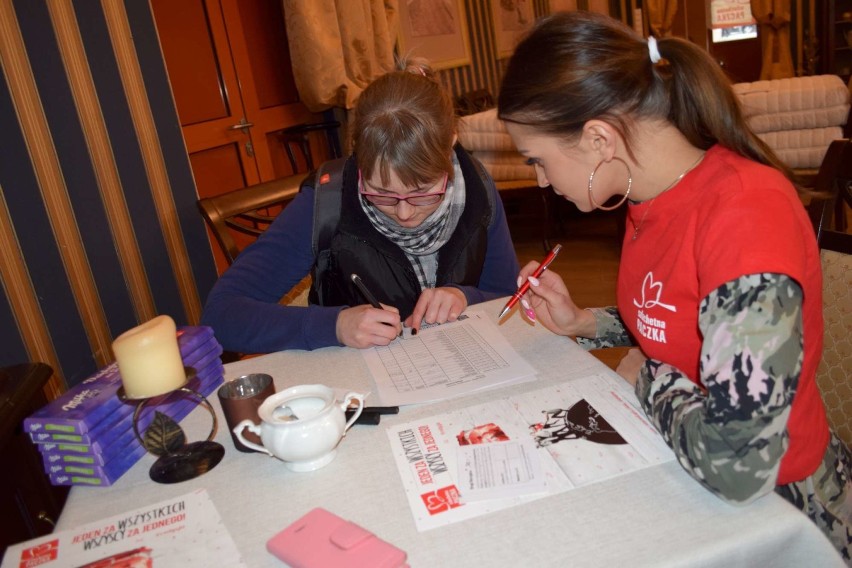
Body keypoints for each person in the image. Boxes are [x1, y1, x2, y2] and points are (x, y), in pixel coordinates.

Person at [497, 11, 851, 560]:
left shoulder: (745, 215)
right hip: (678, 459)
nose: (541, 180)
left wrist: (647, 377)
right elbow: (691, 317)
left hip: (780, 511)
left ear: (597, 139)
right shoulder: (647, 196)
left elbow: (740, 463)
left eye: (538, 160)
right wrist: (586, 323)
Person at [201, 59, 520, 354]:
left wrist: (467, 298)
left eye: (423, 193)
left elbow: (506, 294)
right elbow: (221, 315)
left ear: (451, 142)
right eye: (381, 194)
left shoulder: (477, 187)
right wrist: (334, 326)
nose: (404, 214)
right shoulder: (326, 202)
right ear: (357, 155)